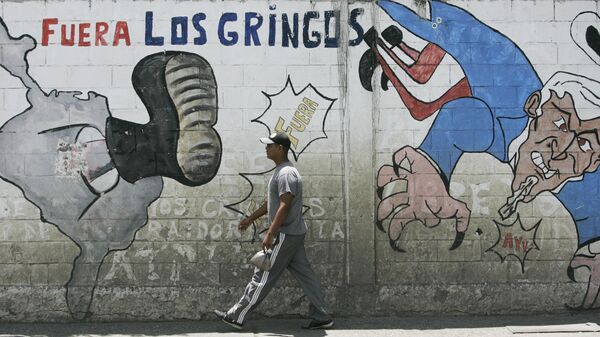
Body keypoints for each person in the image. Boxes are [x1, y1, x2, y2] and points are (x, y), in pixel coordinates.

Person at [214, 132, 333, 330]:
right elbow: (272, 202)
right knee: (306, 276)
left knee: (263, 274)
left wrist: (270, 233)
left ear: (280, 148)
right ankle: (321, 316)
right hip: (294, 233)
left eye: (270, 145)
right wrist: (251, 218)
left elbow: (284, 206)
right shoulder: (282, 171)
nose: (266, 148)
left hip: (285, 234)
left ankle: (236, 316)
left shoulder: (286, 173)